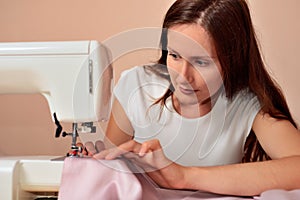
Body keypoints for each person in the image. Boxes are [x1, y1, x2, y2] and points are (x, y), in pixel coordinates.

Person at [83, 0, 300, 196]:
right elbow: (111, 172)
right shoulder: (136, 87)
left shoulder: (247, 104)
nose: (183, 77)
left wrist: (183, 176)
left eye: (201, 62)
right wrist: (98, 160)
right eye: (175, 55)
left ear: (233, 60)